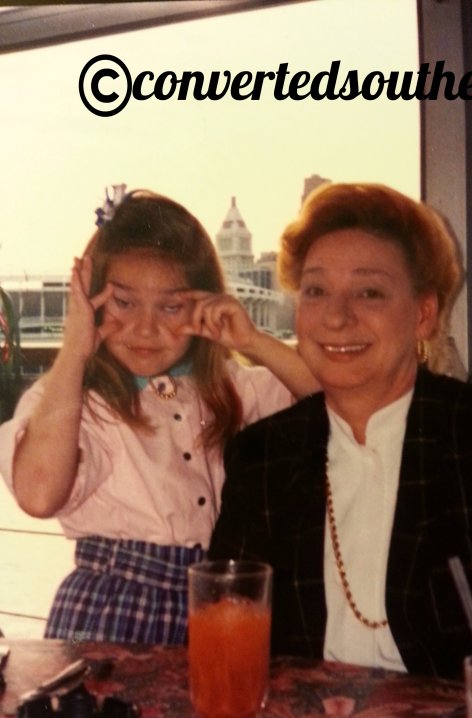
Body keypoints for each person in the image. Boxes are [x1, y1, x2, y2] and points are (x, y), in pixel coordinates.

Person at [209, 182, 472, 679]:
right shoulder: (261, 458)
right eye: (316, 290)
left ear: (423, 314)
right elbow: (228, 659)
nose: (335, 315)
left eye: (369, 291)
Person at [0, 190, 318, 645]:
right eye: (124, 303)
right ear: (91, 302)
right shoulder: (76, 402)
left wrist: (252, 342)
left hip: (217, 604)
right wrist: (73, 352)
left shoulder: (229, 388)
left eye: (171, 307)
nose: (146, 329)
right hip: (112, 610)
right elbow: (38, 493)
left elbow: (332, 403)